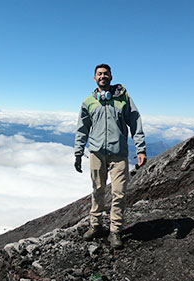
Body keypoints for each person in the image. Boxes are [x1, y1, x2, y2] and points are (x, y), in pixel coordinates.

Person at [74, 64, 147, 249]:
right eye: (99, 74)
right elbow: (82, 130)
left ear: (111, 77)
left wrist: (141, 149)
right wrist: (78, 152)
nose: (103, 76)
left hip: (118, 155)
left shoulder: (124, 99)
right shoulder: (89, 102)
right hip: (97, 153)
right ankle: (96, 225)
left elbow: (135, 124)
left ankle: (115, 230)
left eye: (106, 74)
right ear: (94, 78)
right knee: (97, 190)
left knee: (119, 193)